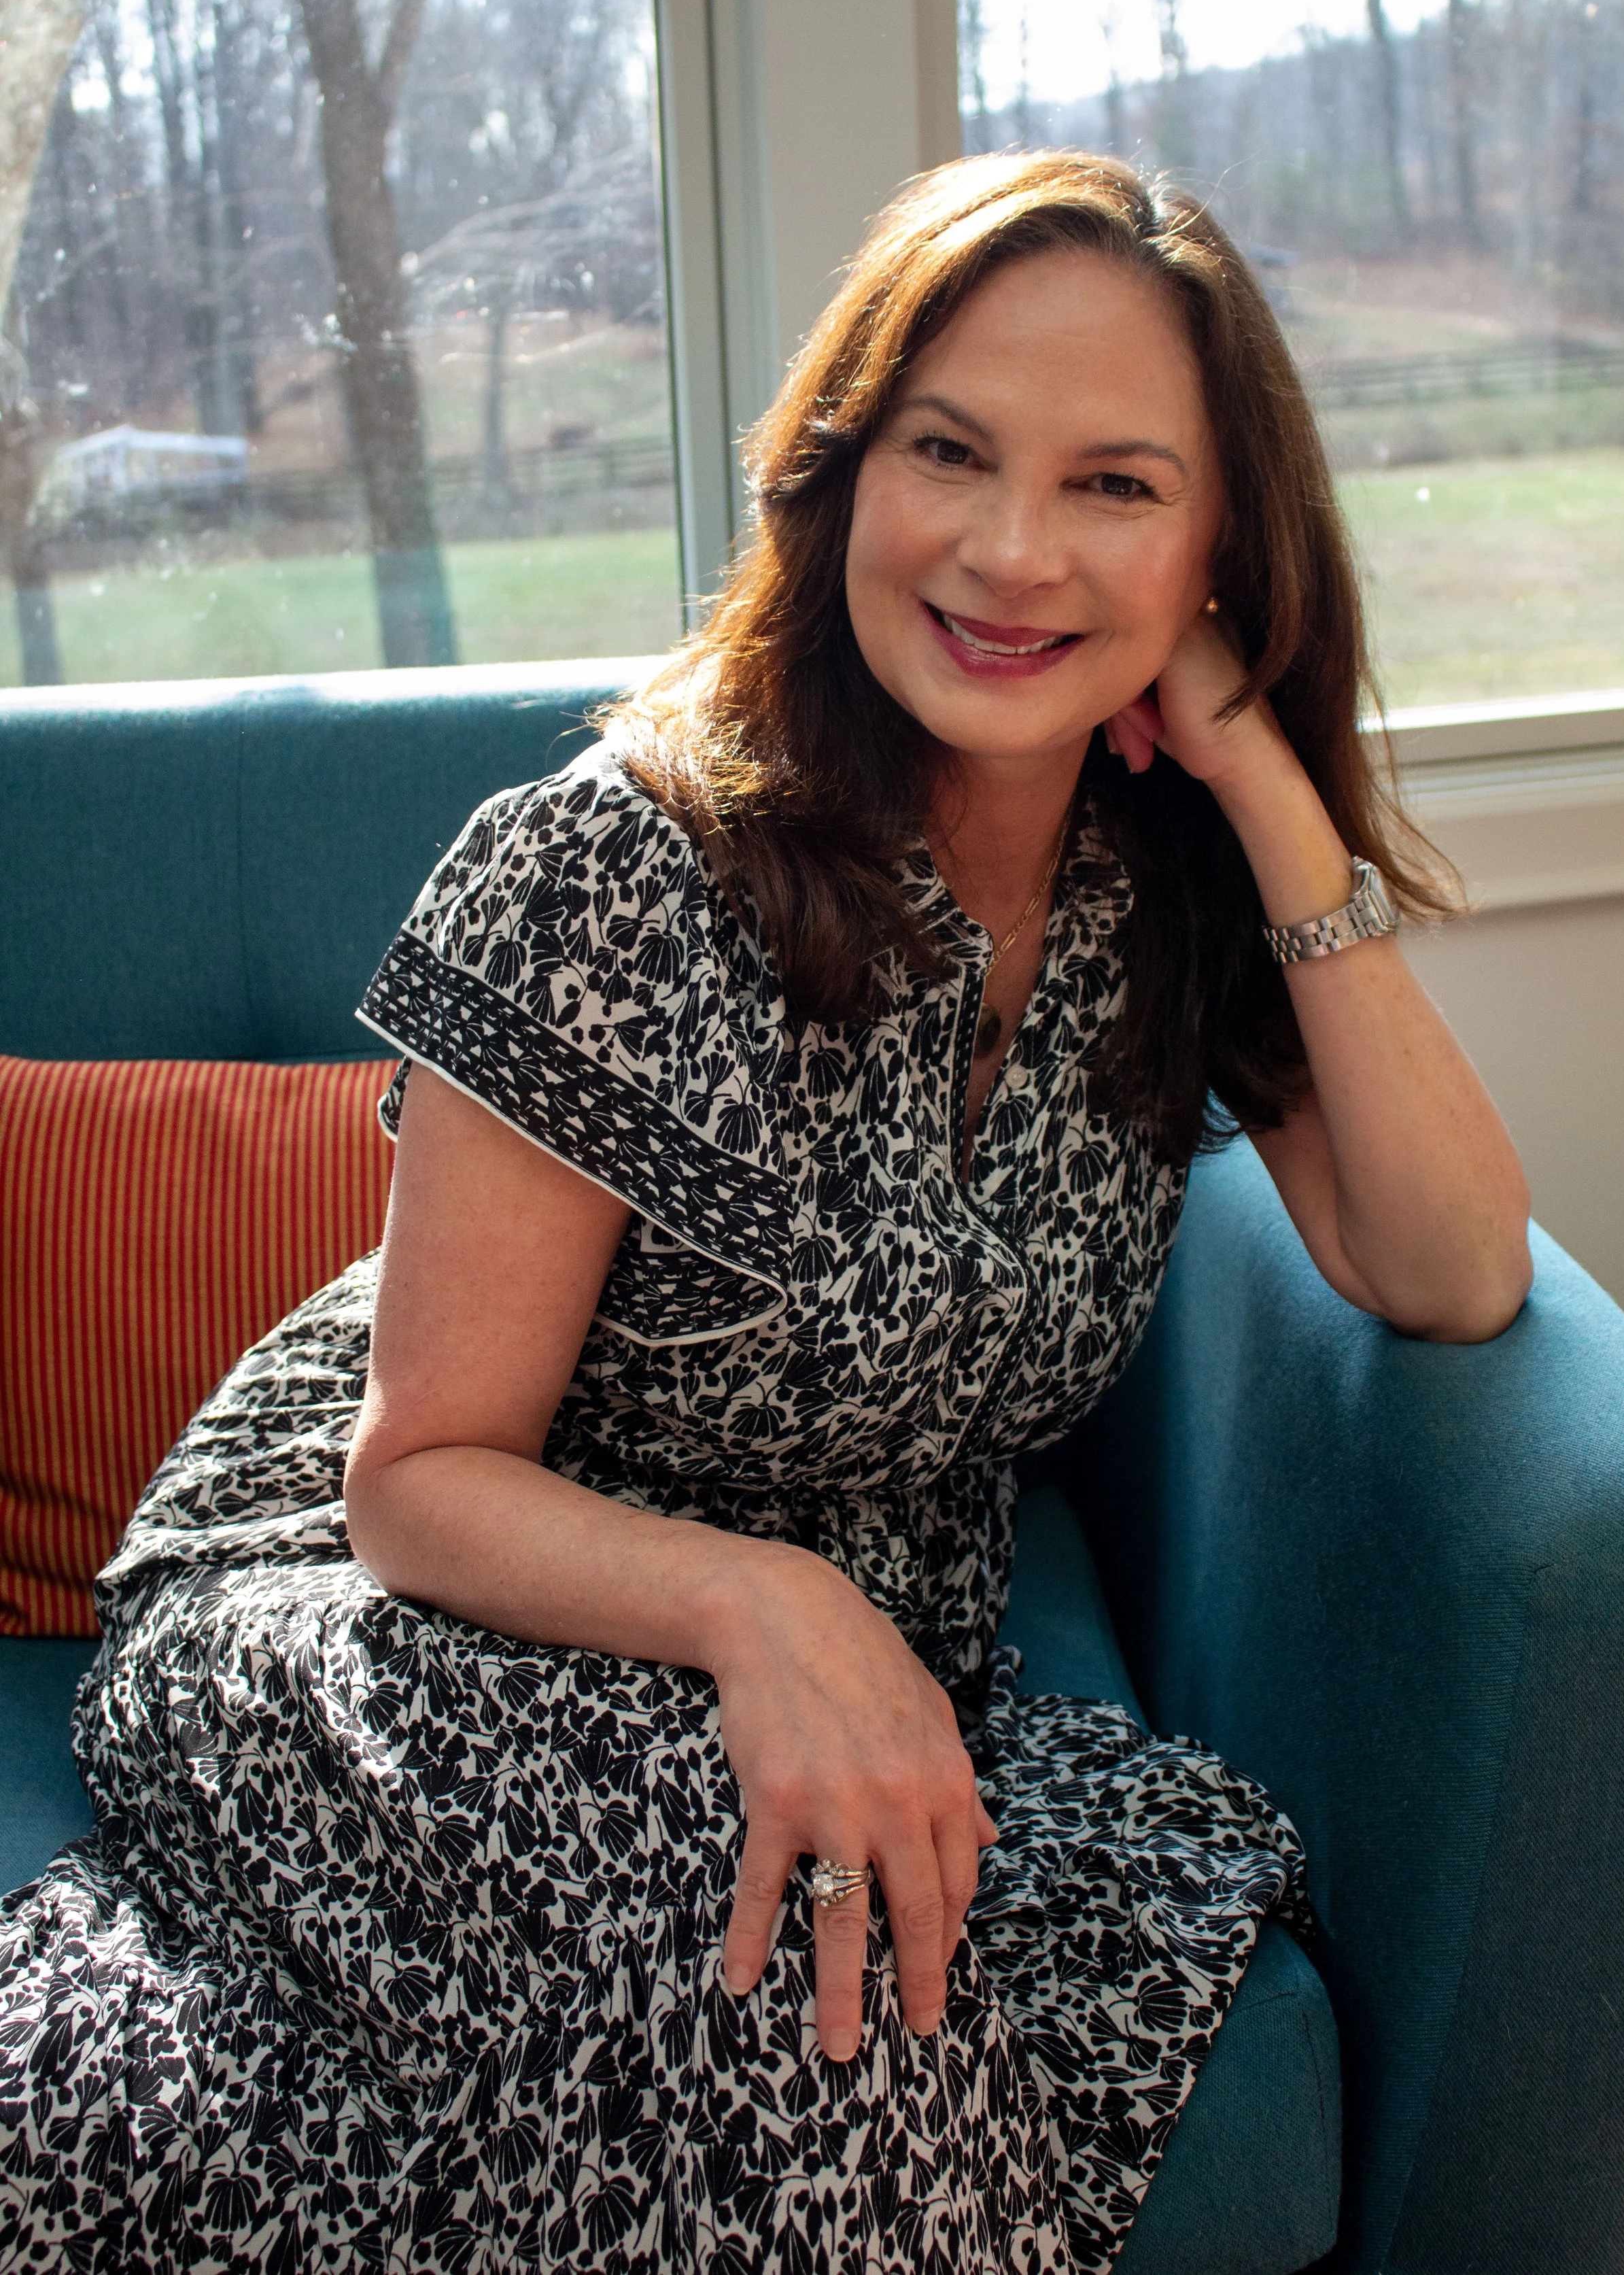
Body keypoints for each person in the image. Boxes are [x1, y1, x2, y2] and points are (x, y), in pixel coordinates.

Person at [0, 152, 1532, 2274]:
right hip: (405, 1603)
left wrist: (1269, 788)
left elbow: (1446, 1271)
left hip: (860, 1648)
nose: (1009, 550)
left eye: (1113, 485)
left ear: (1216, 550)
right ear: (837, 478)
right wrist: (773, 1610)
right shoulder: (606, 868)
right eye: (947, 451)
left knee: (869, 1951)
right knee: (797, 1972)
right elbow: (417, 1479)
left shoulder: (1159, 891)